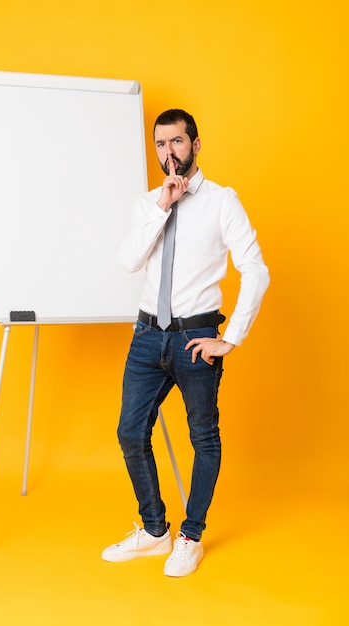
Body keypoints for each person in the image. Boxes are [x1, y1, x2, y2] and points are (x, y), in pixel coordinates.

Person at [101, 109, 270, 577]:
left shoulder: (222, 201)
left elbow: (255, 271)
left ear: (195, 144)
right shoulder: (147, 203)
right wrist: (163, 206)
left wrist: (229, 338)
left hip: (197, 337)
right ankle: (154, 530)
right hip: (146, 335)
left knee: (203, 437)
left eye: (176, 142)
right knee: (130, 433)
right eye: (160, 144)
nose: (168, 152)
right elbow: (130, 261)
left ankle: (190, 536)